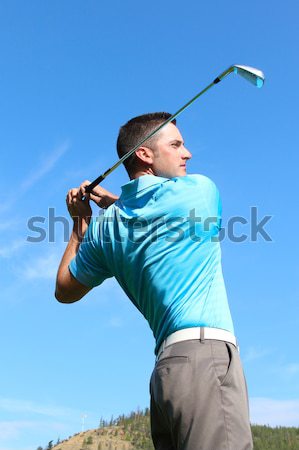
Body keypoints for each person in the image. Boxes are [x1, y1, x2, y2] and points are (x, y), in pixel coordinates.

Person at [55, 112, 253, 450]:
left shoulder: (105, 229)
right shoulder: (200, 191)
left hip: (166, 373)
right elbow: (158, 215)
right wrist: (114, 203)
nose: (187, 153)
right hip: (207, 360)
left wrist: (80, 223)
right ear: (145, 155)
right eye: (176, 144)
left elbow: (64, 289)